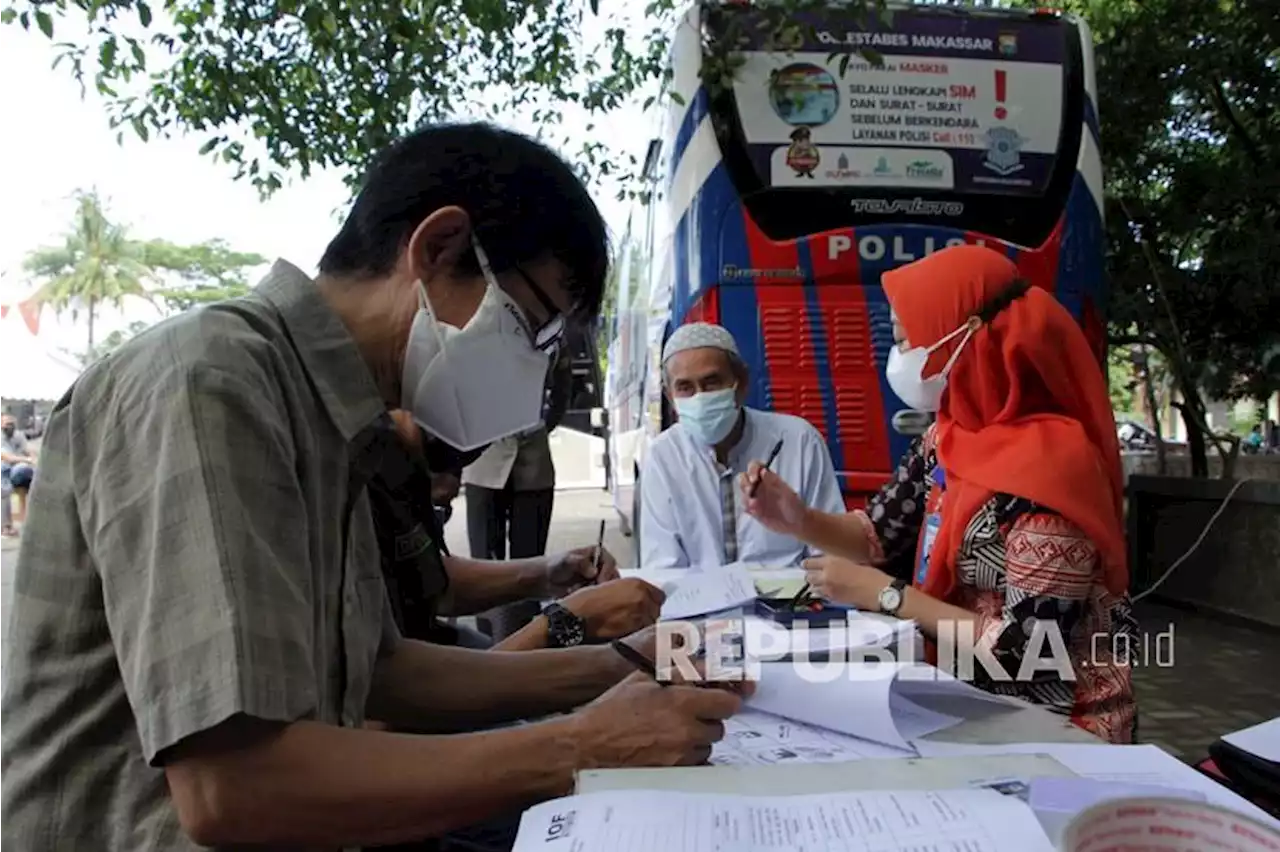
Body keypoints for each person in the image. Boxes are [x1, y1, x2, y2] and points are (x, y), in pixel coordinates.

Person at [0, 122, 746, 852]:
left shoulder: (335, 420)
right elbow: (235, 786)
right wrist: (582, 745)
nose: (537, 371)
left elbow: (382, 670)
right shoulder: (209, 381)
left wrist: (629, 660)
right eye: (533, 326)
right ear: (438, 247)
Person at [742, 245, 1139, 744]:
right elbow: (876, 537)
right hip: (967, 698)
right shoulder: (947, 437)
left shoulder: (1053, 469)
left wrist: (887, 596)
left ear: (968, 335)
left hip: (1063, 726)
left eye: (907, 340)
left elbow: (1030, 652)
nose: (898, 356)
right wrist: (797, 518)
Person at [376, 408, 663, 654]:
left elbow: (431, 582)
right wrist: (564, 623)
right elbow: (404, 693)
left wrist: (547, 573)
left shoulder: (391, 449)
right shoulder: (360, 473)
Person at [640, 322, 844, 569]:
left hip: (791, 603)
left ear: (742, 383)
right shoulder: (664, 457)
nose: (700, 397)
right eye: (685, 387)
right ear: (670, 397)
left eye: (711, 383)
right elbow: (663, 567)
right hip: (700, 605)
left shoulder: (798, 441)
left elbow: (832, 553)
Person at [463, 342, 572, 639]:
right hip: (484, 460)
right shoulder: (476, 333)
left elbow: (562, 390)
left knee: (531, 558)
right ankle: (489, 638)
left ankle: (526, 636)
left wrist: (541, 426)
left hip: (533, 462)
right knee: (484, 559)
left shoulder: (551, 336)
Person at [0, 412, 36, 527]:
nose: (10, 426)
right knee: (4, 473)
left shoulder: (19, 435)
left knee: (27, 477)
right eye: (7, 423)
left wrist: (32, 459)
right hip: (5, 471)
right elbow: (6, 457)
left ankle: (27, 523)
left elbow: (29, 451)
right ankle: (6, 525)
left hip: (19, 470)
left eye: (12, 423)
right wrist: (27, 460)